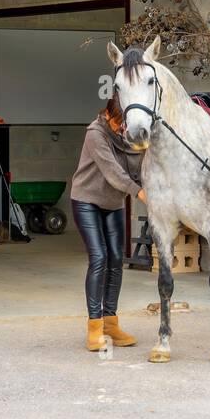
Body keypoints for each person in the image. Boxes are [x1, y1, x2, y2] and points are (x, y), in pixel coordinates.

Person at [71, 96, 146, 352]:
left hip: (112, 203)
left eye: (125, 124)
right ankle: (94, 327)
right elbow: (113, 170)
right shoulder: (96, 134)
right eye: (119, 122)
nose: (122, 128)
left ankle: (111, 323)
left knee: (116, 260)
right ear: (108, 115)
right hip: (87, 201)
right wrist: (139, 192)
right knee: (99, 258)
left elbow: (139, 160)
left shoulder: (126, 134)